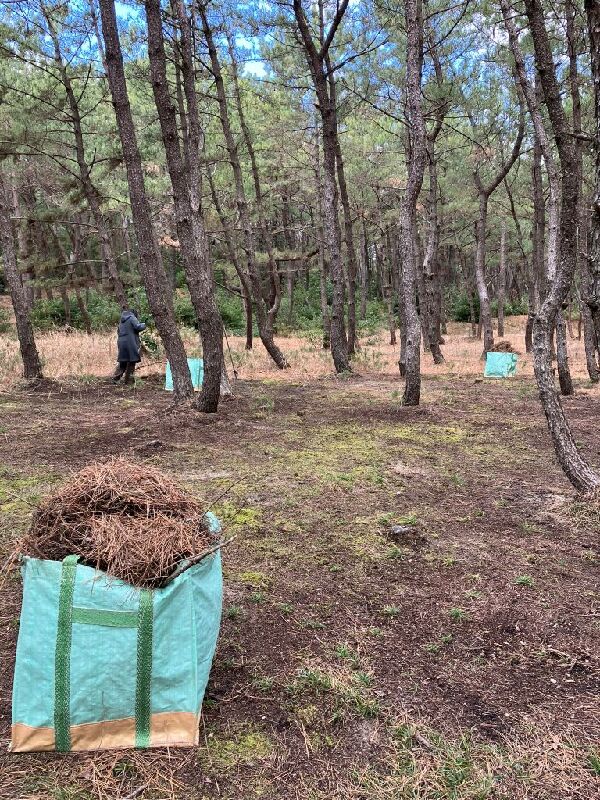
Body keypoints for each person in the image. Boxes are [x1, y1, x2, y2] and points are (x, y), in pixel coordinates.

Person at [113, 308, 146, 384]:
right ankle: (129, 380)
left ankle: (116, 378)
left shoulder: (121, 320)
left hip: (121, 342)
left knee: (123, 361)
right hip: (130, 342)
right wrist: (144, 324)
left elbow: (118, 331)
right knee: (132, 361)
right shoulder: (132, 317)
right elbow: (138, 327)